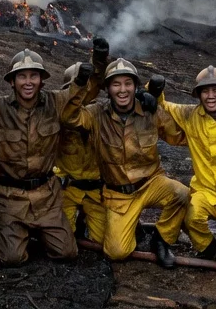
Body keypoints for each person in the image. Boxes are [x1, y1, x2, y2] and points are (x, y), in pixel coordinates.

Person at [0, 44, 105, 266]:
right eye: (22, 77)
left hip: (47, 198)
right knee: (11, 258)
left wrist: (95, 67)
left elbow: (80, 97)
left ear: (41, 80)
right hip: (10, 198)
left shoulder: (54, 103)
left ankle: (33, 231)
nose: (28, 82)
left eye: (34, 76)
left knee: (67, 253)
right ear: (12, 81)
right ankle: (2, 224)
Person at [64, 58, 189, 267]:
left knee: (181, 193)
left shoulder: (149, 111)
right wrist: (80, 84)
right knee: (117, 252)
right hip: (119, 193)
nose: (122, 90)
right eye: (116, 84)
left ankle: (161, 239)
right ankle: (131, 227)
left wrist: (159, 101)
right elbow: (69, 117)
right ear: (107, 89)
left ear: (135, 86)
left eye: (128, 83)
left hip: (151, 183)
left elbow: (180, 136)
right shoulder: (96, 114)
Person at [159, 66, 216, 264]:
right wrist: (154, 88)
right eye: (205, 91)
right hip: (205, 191)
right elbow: (162, 105)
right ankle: (207, 247)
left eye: (215, 90)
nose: (210, 96)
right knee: (191, 215)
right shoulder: (189, 115)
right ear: (198, 94)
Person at [56, 62, 106, 243]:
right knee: (63, 239)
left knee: (103, 240)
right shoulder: (59, 117)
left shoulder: (103, 114)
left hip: (96, 191)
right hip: (67, 190)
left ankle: (87, 219)